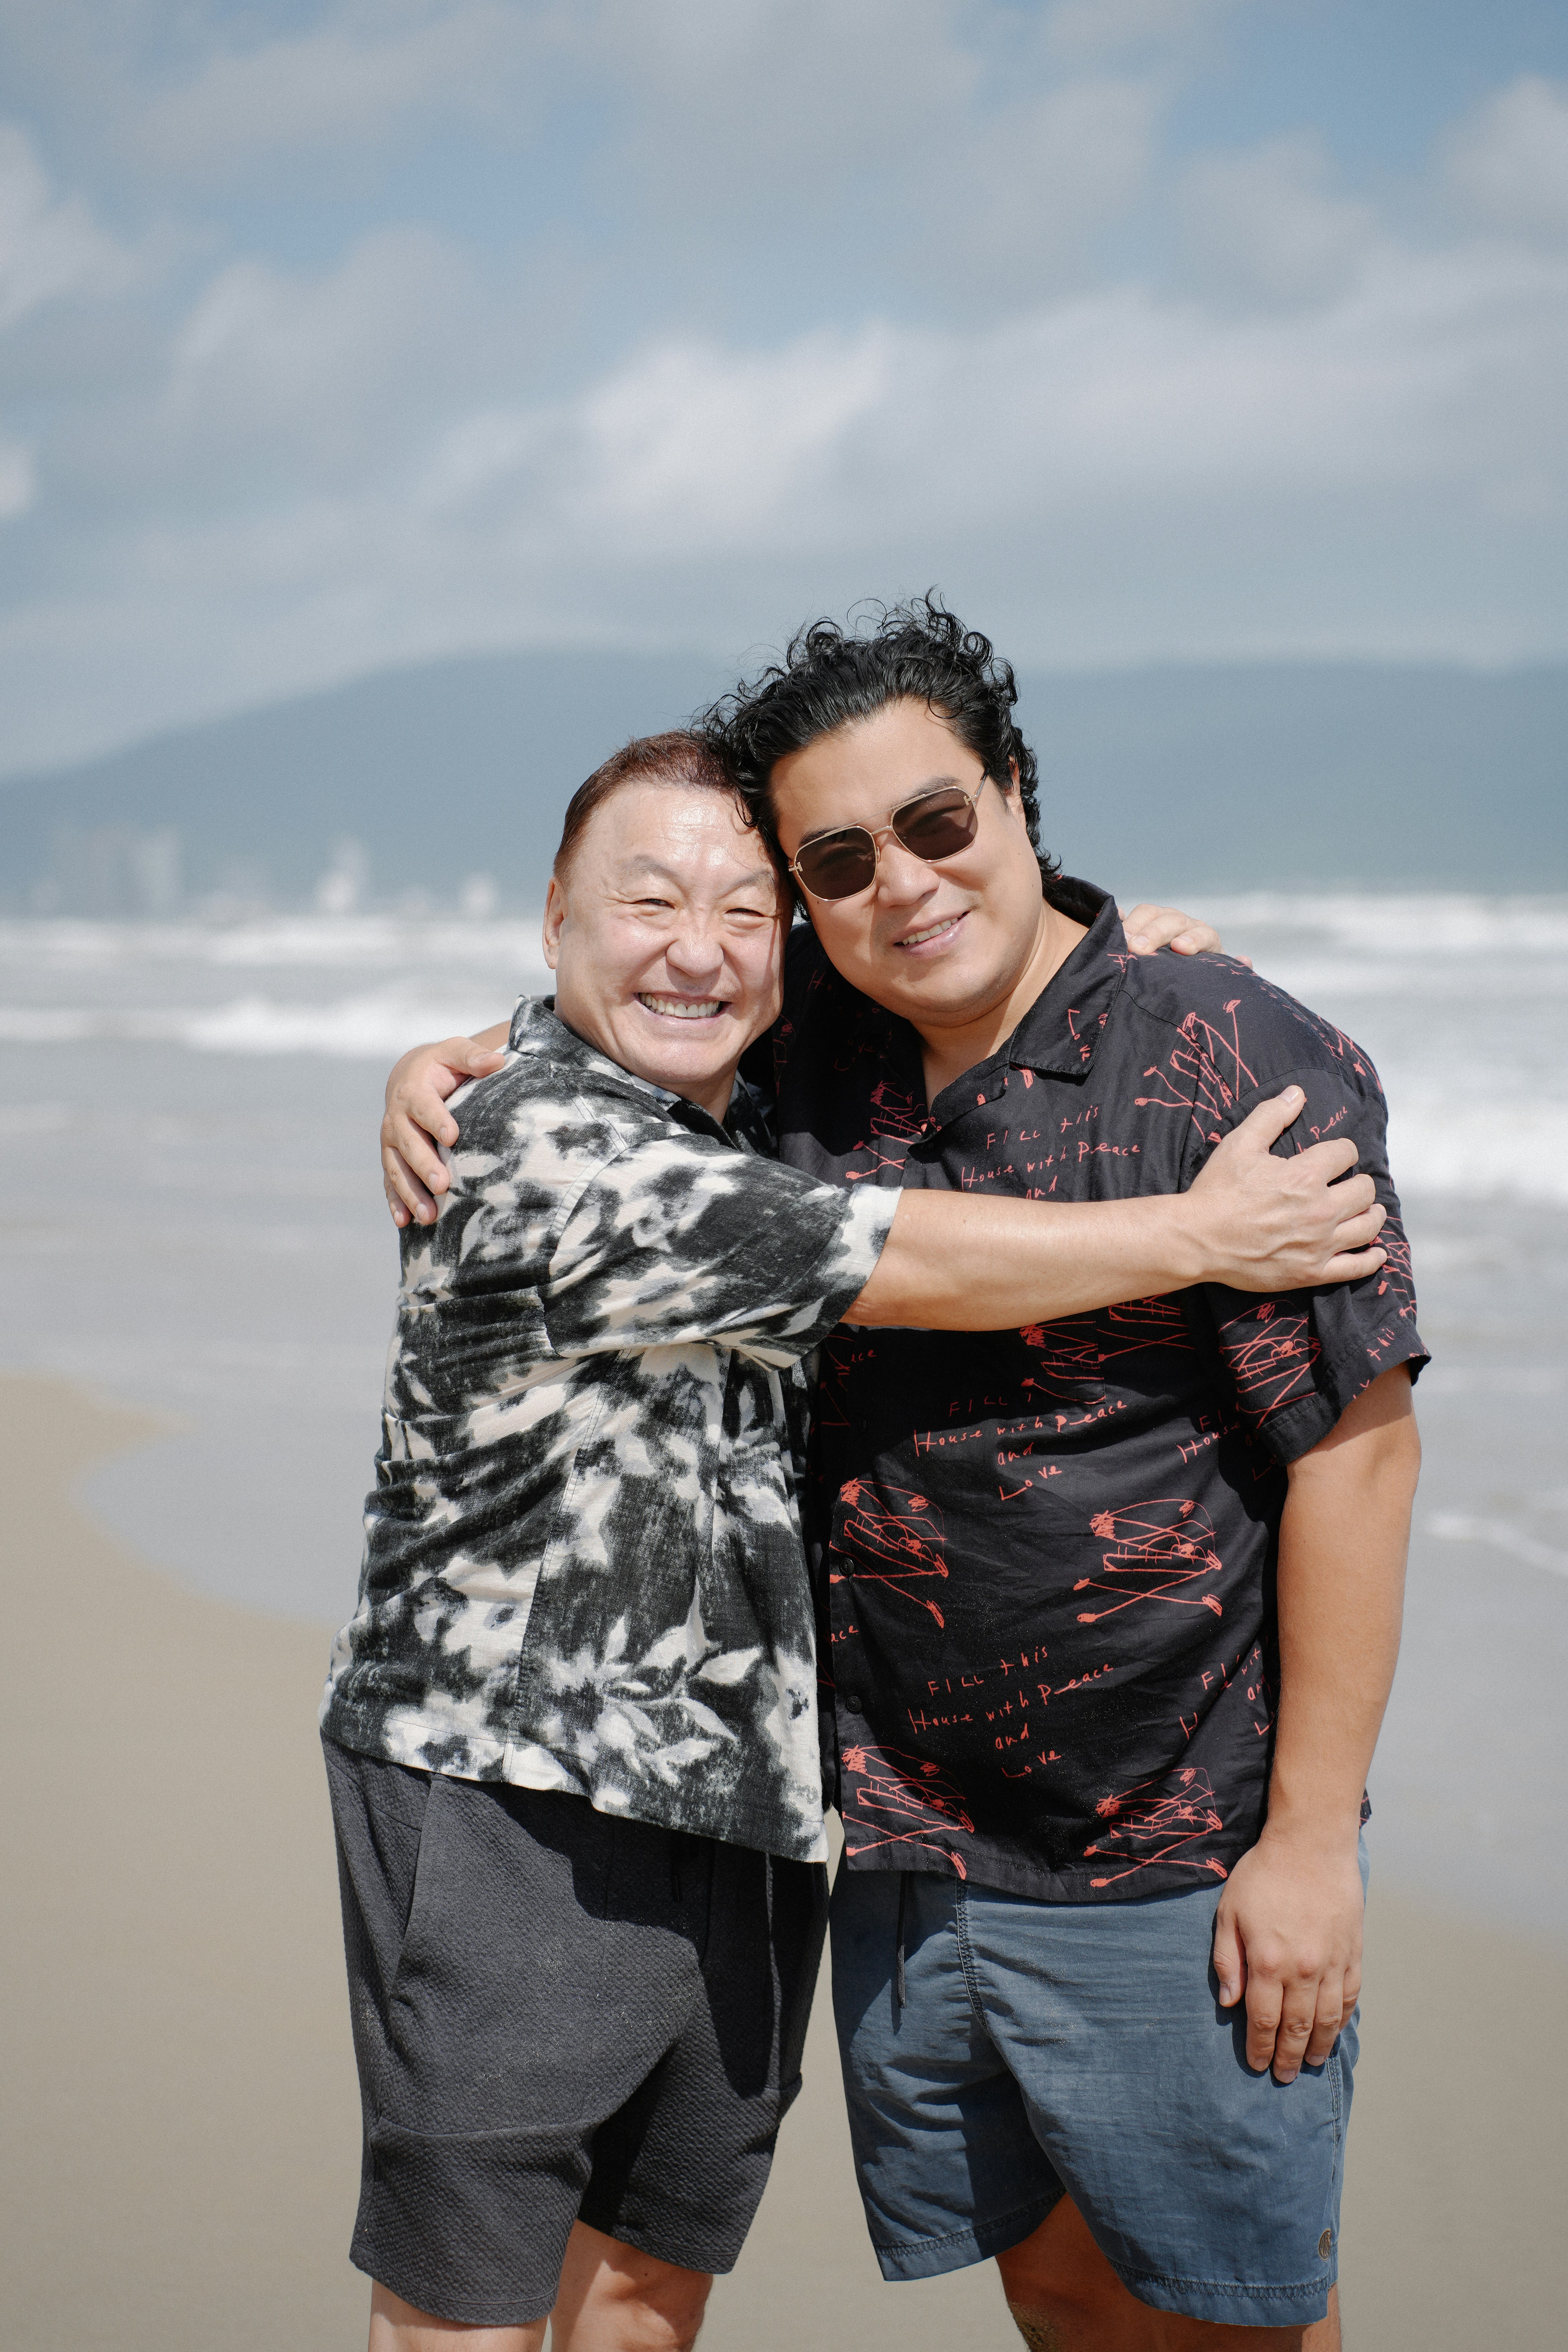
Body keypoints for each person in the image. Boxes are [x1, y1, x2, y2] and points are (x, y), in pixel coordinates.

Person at [384, 607, 1423, 2352]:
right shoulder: (819, 1061)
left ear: (1017, 796)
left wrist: (1312, 1843)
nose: (906, 885)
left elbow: (1360, 1450)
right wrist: (441, 1061)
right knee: (1067, 2304)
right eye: (842, 860)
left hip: (1171, 1866)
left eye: (941, 822)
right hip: (904, 1865)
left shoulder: (1222, 1052)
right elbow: (634, 1033)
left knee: (1236, 2318)